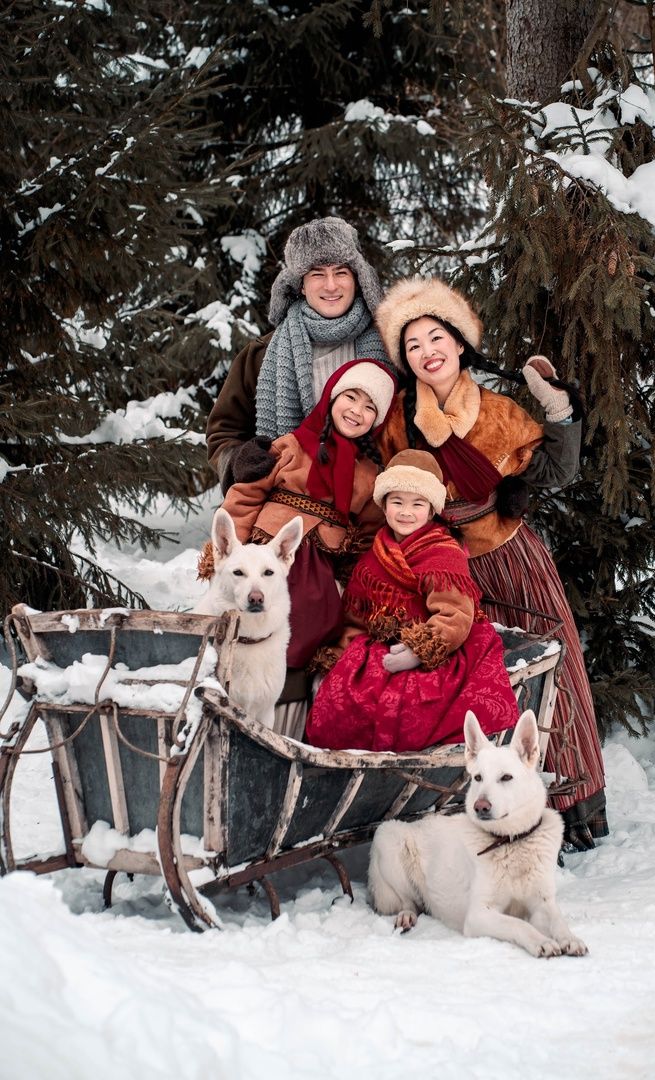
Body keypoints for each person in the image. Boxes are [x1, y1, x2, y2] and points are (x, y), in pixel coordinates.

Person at [373, 277, 608, 849]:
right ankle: (479, 809)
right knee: (477, 681)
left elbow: (555, 470)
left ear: (459, 343)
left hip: (511, 552)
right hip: (442, 567)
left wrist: (558, 411)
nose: (427, 351)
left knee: (557, 660)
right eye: (412, 345)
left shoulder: (500, 412)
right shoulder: (399, 423)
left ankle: (575, 801)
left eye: (436, 336)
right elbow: (389, 490)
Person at [220, 359, 397, 735]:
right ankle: (231, 694)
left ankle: (286, 712)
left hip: (321, 567)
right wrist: (227, 547)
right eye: (351, 397)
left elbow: (366, 531)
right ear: (332, 396)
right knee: (248, 616)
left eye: (370, 408)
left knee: (310, 625)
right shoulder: (291, 445)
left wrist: (351, 579)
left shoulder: (369, 474)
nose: (357, 411)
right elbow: (248, 495)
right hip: (270, 549)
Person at [305, 451, 519, 752]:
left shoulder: (443, 553)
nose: (406, 512)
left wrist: (419, 651)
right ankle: (345, 754)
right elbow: (356, 617)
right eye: (397, 502)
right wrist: (336, 662)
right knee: (348, 695)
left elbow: (454, 614)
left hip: (438, 645)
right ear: (384, 505)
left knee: (410, 701)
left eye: (417, 504)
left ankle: (397, 756)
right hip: (383, 643)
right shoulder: (374, 557)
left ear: (431, 510)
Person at [206, 216, 392, 495]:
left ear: (358, 279)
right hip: (289, 502)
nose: (331, 285)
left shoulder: (391, 345)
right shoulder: (261, 354)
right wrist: (240, 462)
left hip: (373, 506)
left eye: (341, 272)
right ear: (300, 285)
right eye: (317, 274)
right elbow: (223, 433)